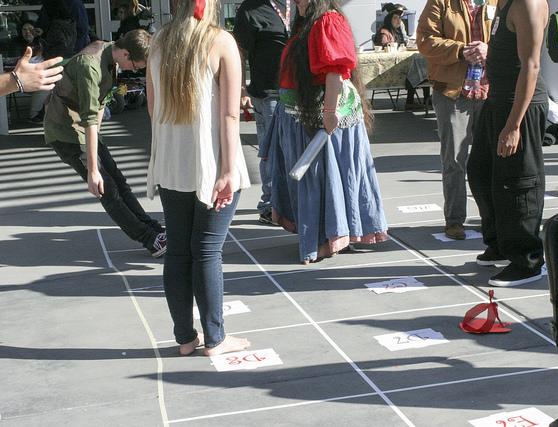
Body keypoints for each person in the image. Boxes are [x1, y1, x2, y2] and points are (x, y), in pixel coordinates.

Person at [146, 0, 252, 356]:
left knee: (178, 250)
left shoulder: (159, 42)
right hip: (211, 163)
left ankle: (185, 338)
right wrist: (227, 169)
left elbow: (151, 106)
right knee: (207, 251)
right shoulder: (221, 42)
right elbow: (230, 116)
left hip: (172, 162)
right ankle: (215, 338)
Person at [263, 0, 389, 264]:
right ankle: (321, 236)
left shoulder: (327, 21)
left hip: (321, 117)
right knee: (313, 181)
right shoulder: (307, 23)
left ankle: (324, 239)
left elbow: (334, 71)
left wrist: (329, 113)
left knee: (321, 179)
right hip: (301, 116)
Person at [44, 30, 167, 258]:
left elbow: (100, 106)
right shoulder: (90, 66)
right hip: (66, 133)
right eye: (136, 65)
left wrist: (98, 145)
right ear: (126, 53)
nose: (135, 70)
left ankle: (152, 228)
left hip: (85, 130)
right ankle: (148, 239)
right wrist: (92, 169)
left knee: (118, 180)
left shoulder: (111, 53)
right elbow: (89, 117)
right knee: (106, 188)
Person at [466, 0, 549, 286]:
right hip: (497, 101)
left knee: (518, 183)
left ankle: (527, 260)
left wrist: (514, 125)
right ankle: (501, 243)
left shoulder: (528, 4)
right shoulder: (503, 3)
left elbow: (532, 65)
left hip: (519, 107)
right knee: (480, 173)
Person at [417, 0, 497, 241]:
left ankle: (492, 218)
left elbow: (512, 38)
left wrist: (488, 50)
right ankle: (454, 220)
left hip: (489, 90)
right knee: (453, 160)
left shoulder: (497, 2)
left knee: (492, 159)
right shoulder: (441, 2)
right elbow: (425, 40)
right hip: (452, 92)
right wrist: (461, 50)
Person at [233, 0, 292, 226]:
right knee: (271, 149)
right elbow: (239, 52)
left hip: (297, 89)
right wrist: (240, 87)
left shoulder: (297, 5)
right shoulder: (251, 9)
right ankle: (269, 205)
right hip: (267, 91)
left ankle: (287, 202)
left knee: (292, 148)